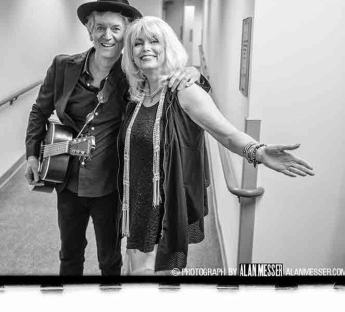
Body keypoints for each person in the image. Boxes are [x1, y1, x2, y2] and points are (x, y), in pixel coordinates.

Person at [119, 16, 315, 275]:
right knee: (134, 271)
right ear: (131, 54)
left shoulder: (184, 92)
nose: (145, 48)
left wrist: (259, 151)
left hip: (164, 210)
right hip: (136, 207)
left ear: (168, 48)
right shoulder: (136, 95)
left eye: (154, 41)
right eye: (138, 43)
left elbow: (228, 135)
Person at [24, 0, 201, 276]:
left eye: (116, 29)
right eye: (100, 27)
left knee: (110, 260)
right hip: (66, 181)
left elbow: (169, 78)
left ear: (126, 33)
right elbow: (39, 111)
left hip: (112, 186)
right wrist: (32, 155)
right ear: (89, 30)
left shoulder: (136, 74)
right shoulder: (62, 66)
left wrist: (193, 73)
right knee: (69, 255)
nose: (107, 35)